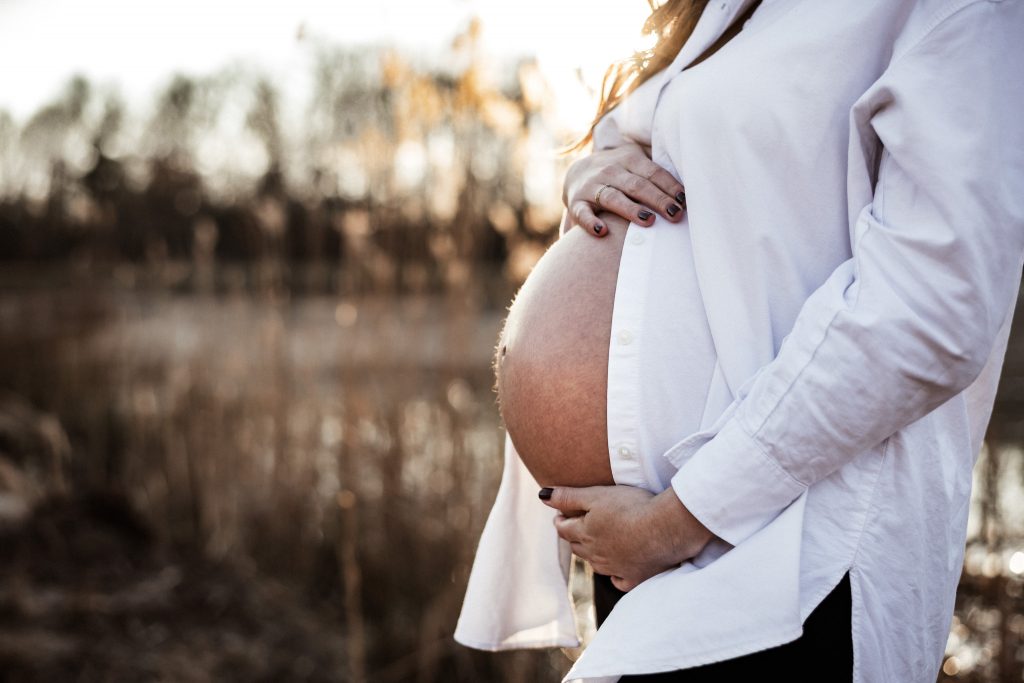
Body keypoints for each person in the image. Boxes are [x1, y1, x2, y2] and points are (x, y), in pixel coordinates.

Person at [454, 1, 1024, 681]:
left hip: (783, 556)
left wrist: (681, 517)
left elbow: (932, 308)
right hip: (641, 538)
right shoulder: (726, 10)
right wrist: (592, 170)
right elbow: (660, 142)